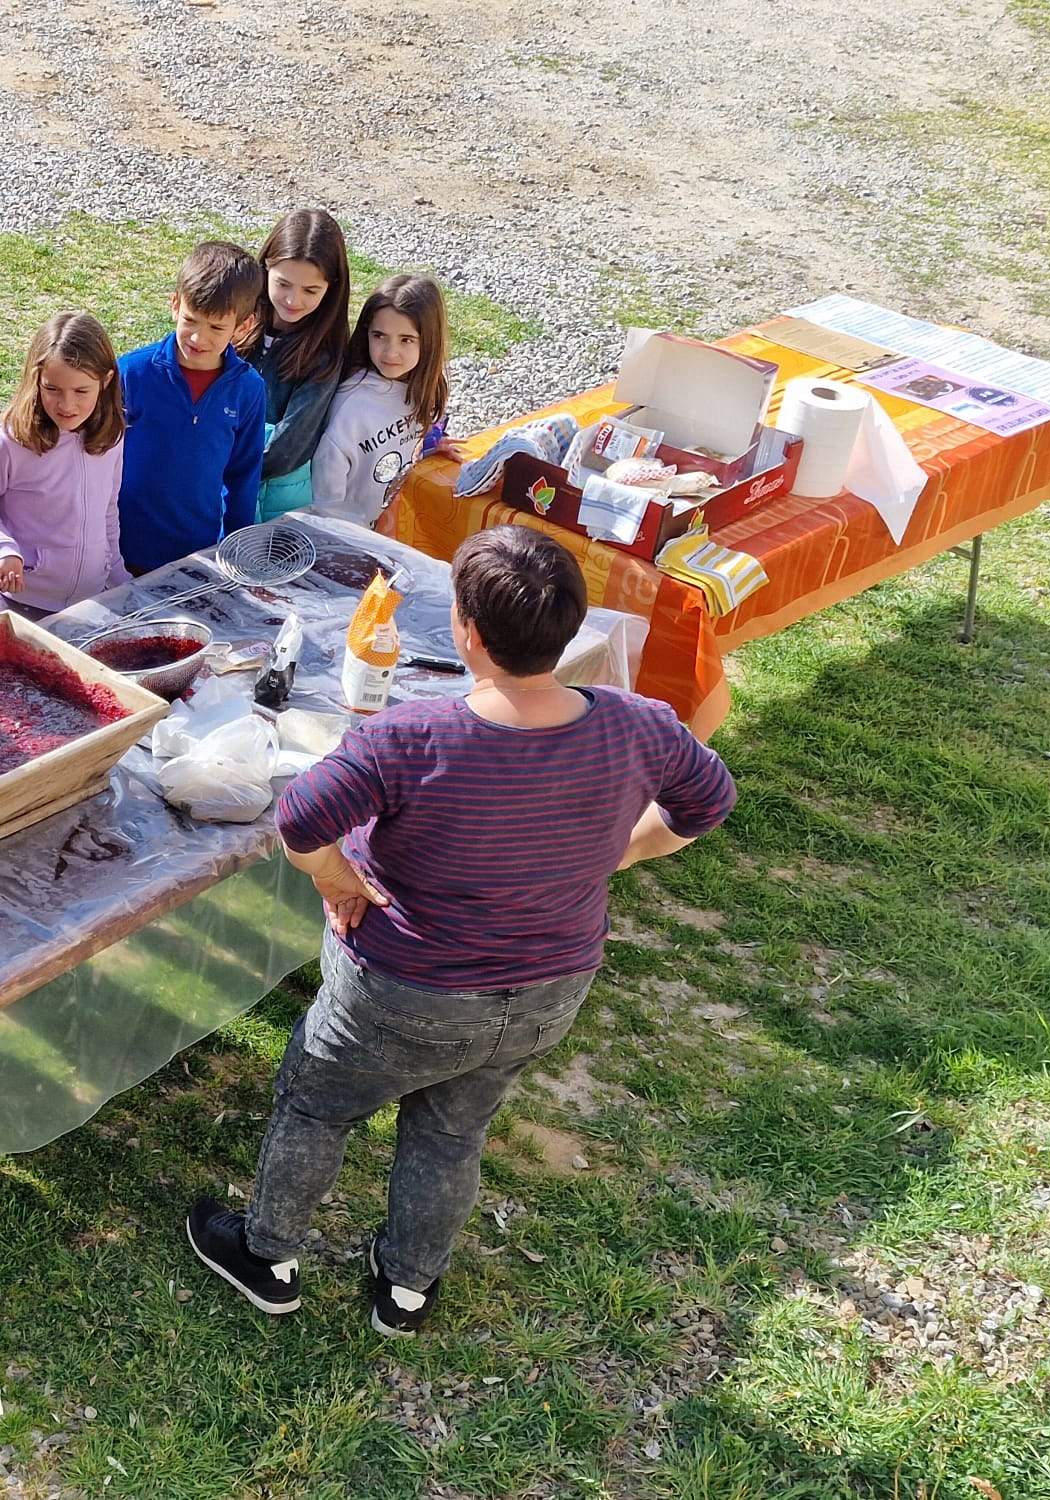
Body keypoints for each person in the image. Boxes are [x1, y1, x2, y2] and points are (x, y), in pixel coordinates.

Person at [185, 527, 737, 1337]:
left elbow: (300, 819)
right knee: (452, 1131)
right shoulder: (637, 724)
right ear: (569, 626)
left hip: (405, 991)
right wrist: (614, 853)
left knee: (318, 1106)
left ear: (468, 633)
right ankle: (406, 1290)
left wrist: (338, 878)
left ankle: (268, 1259)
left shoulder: (410, 738)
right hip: (548, 991)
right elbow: (707, 803)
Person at [0, 312, 129, 621]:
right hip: (19, 607)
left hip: (91, 605)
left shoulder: (111, 437)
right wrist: (3, 549)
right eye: (52, 389)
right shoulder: (9, 440)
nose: (67, 405)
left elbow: (107, 509)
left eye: (81, 391)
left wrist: (118, 579)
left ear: (105, 382)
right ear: (36, 379)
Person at [115, 242, 267, 576]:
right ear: (175, 305)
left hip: (197, 556)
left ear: (243, 326)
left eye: (216, 328)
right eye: (191, 320)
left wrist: (234, 554)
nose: (198, 338)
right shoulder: (131, 373)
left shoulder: (249, 390)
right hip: (121, 551)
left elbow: (243, 477)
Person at [310, 274, 449, 528]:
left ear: (430, 340)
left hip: (393, 527)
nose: (390, 352)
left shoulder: (422, 386)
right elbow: (327, 497)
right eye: (379, 336)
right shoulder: (353, 406)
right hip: (352, 537)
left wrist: (430, 445)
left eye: (406, 339)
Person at [245, 209, 350, 521]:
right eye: (283, 284)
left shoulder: (325, 353)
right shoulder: (237, 319)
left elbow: (290, 446)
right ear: (266, 267)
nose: (293, 300)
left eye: (310, 291)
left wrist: (218, 467)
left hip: (273, 500)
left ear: (332, 287)